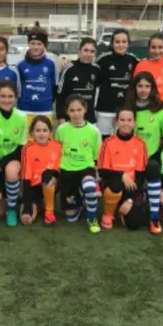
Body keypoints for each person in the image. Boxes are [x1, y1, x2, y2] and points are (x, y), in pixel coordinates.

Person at [98, 108, 163, 234]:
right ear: (116, 122)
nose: (126, 123)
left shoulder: (140, 144)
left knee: (134, 224)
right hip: (114, 184)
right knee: (115, 185)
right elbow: (102, 171)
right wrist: (122, 175)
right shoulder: (108, 143)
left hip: (132, 186)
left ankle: (128, 207)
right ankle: (108, 214)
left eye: (129, 120)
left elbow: (140, 175)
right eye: (122, 120)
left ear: (134, 122)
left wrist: (130, 200)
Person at [0, 80, 27, 224]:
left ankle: (12, 209)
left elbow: (22, 147)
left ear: (15, 97)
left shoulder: (22, 116)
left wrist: (2, 163)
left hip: (11, 160)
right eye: (3, 96)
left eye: (10, 96)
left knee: (12, 170)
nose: (7, 100)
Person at [56, 95, 102, 233]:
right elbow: (56, 152)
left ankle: (91, 217)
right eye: (72, 110)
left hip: (85, 169)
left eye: (79, 110)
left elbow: (97, 158)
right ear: (66, 111)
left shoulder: (93, 131)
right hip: (66, 171)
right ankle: (81, 200)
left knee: (89, 186)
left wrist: (97, 177)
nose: (76, 114)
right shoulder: (61, 130)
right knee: (71, 218)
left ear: (85, 109)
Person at [95, 29, 139, 137]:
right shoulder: (104, 59)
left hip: (125, 109)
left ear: (128, 44)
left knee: (123, 138)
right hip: (105, 109)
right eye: (117, 42)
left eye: (124, 42)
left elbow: (147, 67)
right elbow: (89, 70)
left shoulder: (133, 59)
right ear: (112, 43)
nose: (121, 45)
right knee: (104, 139)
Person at [20, 115, 61, 226]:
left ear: (50, 132)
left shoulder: (57, 146)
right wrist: (27, 208)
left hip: (50, 184)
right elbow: (26, 179)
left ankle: (49, 212)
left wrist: (51, 174)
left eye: (45, 130)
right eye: (38, 130)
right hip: (33, 188)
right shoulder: (27, 149)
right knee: (27, 221)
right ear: (32, 133)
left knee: (48, 176)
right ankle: (35, 204)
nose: (41, 134)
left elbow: (58, 170)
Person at [125, 71, 163, 165]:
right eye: (140, 86)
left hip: (153, 159)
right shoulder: (127, 108)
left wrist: (157, 155)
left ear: (152, 88)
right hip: (130, 158)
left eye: (147, 86)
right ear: (134, 88)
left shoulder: (160, 110)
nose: (143, 90)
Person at [17, 31, 58, 127]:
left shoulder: (51, 64)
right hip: (24, 111)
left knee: (43, 136)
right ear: (28, 44)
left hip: (45, 111)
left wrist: (46, 102)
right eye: (33, 43)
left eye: (39, 44)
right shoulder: (20, 65)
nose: (36, 47)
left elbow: (55, 86)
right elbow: (17, 88)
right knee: (24, 137)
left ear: (44, 46)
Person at [132, 33, 163, 113]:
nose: (157, 51)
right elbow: (134, 89)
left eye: (160, 47)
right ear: (148, 48)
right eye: (153, 47)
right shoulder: (141, 65)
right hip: (145, 110)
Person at [56, 38, 100, 125]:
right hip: (71, 119)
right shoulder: (69, 69)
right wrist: (61, 117)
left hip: (90, 119)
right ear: (79, 52)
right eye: (85, 50)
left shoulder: (97, 69)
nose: (88, 54)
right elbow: (60, 96)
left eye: (92, 51)